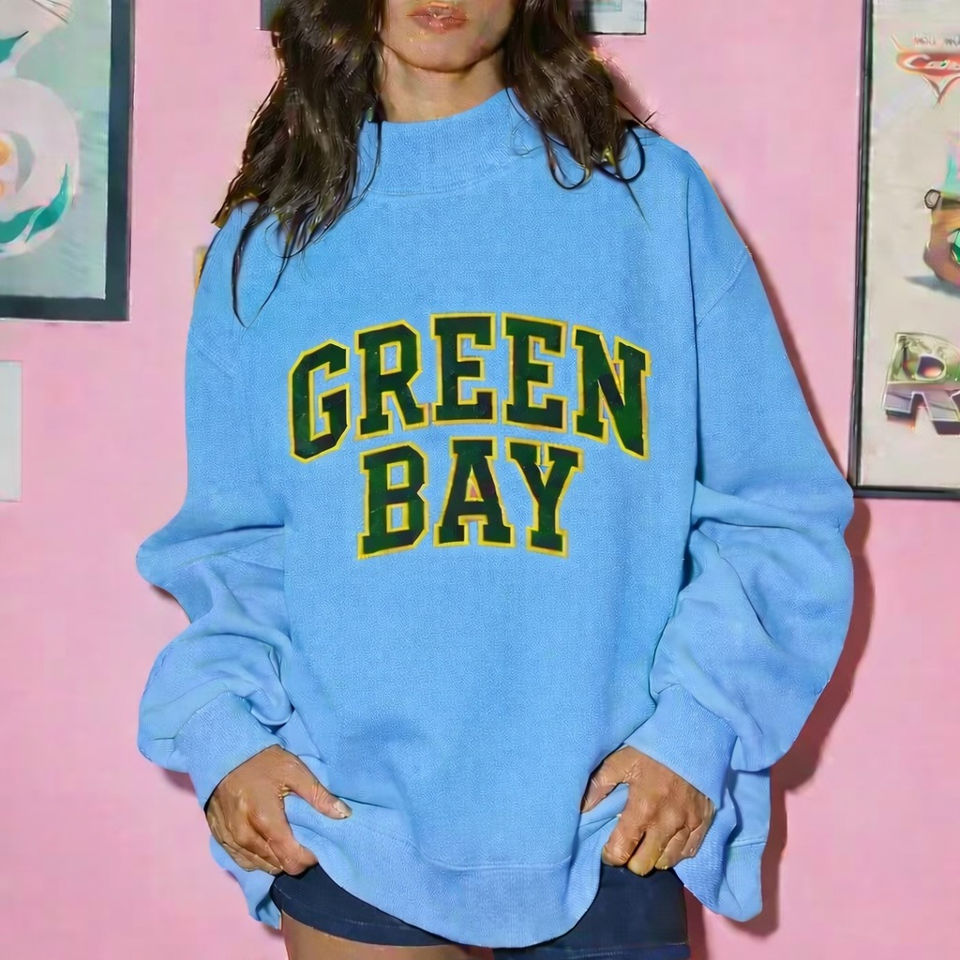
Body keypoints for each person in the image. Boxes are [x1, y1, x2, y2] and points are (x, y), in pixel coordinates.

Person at [134, 2, 856, 959]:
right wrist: (228, 736)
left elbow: (774, 510)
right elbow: (233, 546)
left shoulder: (650, 200)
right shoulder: (268, 242)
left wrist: (696, 728)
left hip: (609, 819)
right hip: (348, 822)